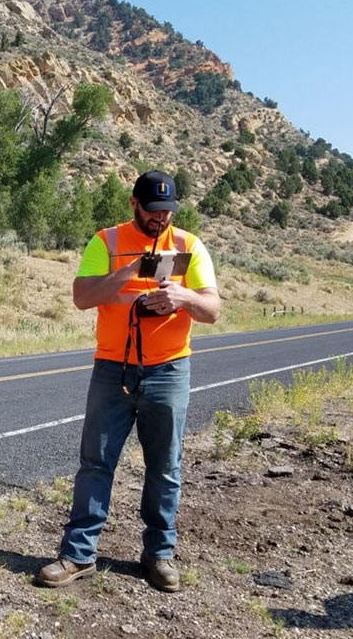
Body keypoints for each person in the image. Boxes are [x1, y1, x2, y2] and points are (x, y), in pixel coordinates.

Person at [37, 169, 221, 592]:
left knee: (165, 467)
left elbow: (212, 309)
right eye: (153, 211)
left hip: (169, 369)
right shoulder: (107, 242)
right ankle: (78, 555)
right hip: (112, 370)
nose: (161, 220)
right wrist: (131, 270)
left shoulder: (189, 245)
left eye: (168, 212)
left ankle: (159, 555)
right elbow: (83, 297)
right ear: (134, 204)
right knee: (96, 463)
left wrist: (183, 297)